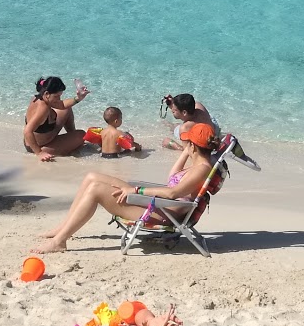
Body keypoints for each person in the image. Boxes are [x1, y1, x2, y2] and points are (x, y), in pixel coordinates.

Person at [32, 122, 220, 254]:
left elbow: (172, 192)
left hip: (163, 212)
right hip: (160, 204)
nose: (185, 144)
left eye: (188, 142)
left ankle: (60, 241)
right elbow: (172, 178)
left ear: (195, 146)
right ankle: (62, 228)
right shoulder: (198, 164)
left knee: (96, 189)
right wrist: (187, 152)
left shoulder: (201, 169)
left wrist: (136, 191)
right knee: (92, 176)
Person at [24, 76, 89, 161]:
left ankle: (72, 135)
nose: (59, 99)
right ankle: (73, 141)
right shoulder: (42, 109)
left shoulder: (40, 97)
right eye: (57, 96)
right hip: (39, 147)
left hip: (42, 138)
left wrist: (79, 98)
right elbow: (27, 131)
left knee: (67, 109)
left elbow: (62, 105)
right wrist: (39, 153)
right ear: (47, 94)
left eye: (60, 95)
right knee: (82, 135)